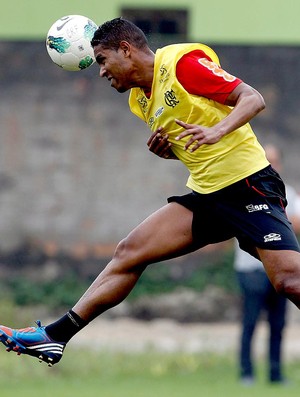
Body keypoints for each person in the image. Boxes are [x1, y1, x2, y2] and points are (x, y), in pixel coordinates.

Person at [1, 17, 300, 368]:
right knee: (129, 252)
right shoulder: (139, 102)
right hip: (208, 195)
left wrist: (217, 131)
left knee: (288, 281)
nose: (100, 72)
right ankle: (54, 337)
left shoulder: (182, 65)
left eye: (102, 60)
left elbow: (252, 98)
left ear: (126, 50)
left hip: (249, 186)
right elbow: (192, 143)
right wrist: (170, 152)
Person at [234, 143, 300, 385]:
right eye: (266, 160)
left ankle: (275, 374)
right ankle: (246, 373)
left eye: (274, 161)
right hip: (251, 269)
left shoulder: (287, 192)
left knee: (278, 324)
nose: (270, 166)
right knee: (250, 322)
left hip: (282, 271)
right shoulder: (242, 190)